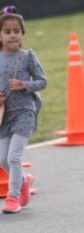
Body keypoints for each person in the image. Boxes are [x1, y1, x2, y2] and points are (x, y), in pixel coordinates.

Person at [0, 11, 47, 214]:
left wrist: (24, 85)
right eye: (7, 31)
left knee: (14, 158)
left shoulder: (28, 57)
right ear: (0, 35)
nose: (13, 36)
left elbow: (42, 81)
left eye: (17, 31)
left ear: (22, 33)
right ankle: (23, 180)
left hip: (24, 112)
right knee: (2, 159)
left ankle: (13, 198)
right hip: (4, 115)